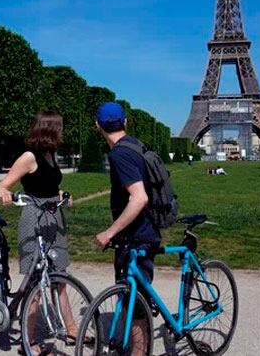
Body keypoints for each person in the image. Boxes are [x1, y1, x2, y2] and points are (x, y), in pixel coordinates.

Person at [0, 111, 77, 355]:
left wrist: (62, 193)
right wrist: (4, 192)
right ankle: (27, 340)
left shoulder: (50, 154)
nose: (63, 133)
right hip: (34, 219)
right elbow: (3, 183)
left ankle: (72, 328)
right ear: (51, 130)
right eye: (60, 128)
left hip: (54, 218)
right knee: (35, 283)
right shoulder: (29, 157)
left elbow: (50, 184)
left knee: (59, 276)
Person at [92, 102, 160, 356]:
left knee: (137, 299)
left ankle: (139, 352)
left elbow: (139, 197)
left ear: (97, 126)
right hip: (142, 231)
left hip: (137, 237)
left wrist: (109, 232)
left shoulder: (120, 154)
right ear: (126, 122)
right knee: (134, 295)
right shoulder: (136, 145)